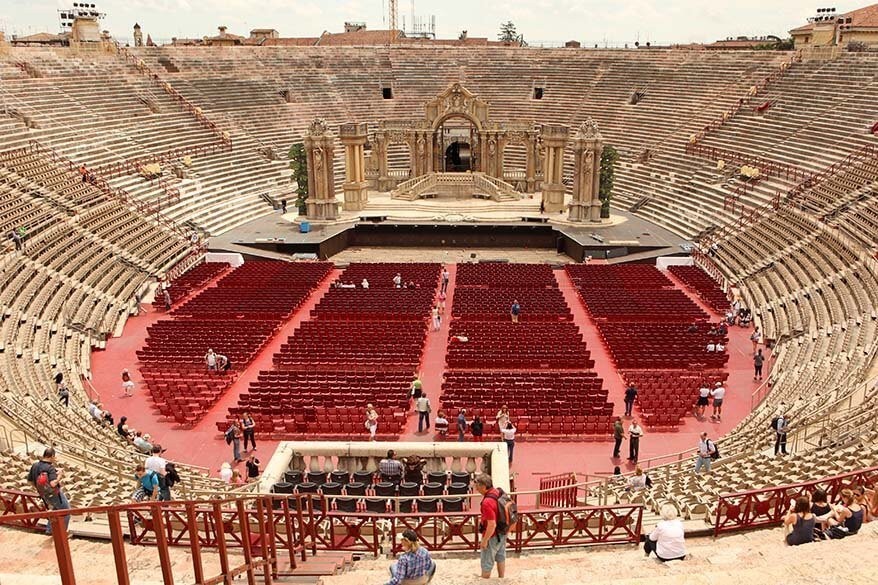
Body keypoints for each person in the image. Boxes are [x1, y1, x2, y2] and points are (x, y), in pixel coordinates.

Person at [27, 447, 70, 535]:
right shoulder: (49, 468)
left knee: (54, 510)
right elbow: (53, 484)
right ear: (52, 456)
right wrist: (60, 476)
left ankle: (50, 531)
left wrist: (39, 488)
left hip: (43, 494)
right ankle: (62, 533)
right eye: (54, 457)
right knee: (66, 511)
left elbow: (29, 481)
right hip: (54, 494)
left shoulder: (35, 465)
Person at [475, 474, 506, 579]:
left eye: (477, 486)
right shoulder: (498, 492)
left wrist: (484, 540)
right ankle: (501, 578)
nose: (476, 489)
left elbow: (491, 524)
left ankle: (485, 579)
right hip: (502, 532)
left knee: (486, 563)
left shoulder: (487, 502)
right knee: (500, 556)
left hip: (492, 536)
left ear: (483, 486)